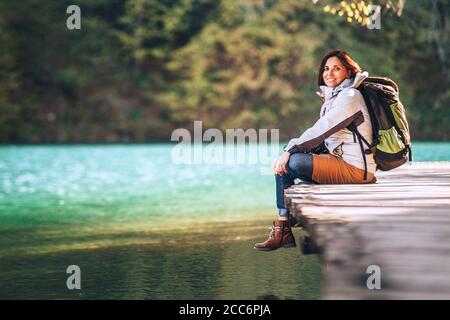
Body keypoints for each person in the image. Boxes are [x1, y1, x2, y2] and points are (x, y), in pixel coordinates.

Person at [254, 49, 377, 251]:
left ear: (348, 72)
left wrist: (289, 149)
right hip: (344, 164)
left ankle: (284, 227)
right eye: (326, 69)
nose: (329, 73)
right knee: (288, 164)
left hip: (355, 169)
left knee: (292, 162)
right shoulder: (339, 96)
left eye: (336, 69)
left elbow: (322, 129)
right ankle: (285, 223)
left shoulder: (350, 96)